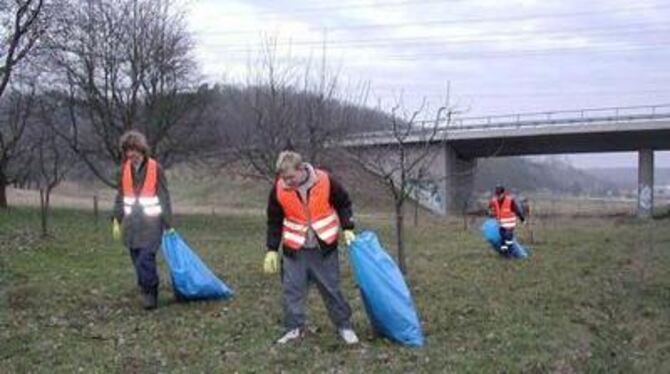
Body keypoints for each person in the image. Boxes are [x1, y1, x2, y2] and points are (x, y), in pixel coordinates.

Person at [263, 151, 359, 345]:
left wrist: (347, 226)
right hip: (294, 250)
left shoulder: (326, 180)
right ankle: (293, 328)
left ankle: (344, 326)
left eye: (290, 177)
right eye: (283, 177)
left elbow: (343, 203)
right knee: (292, 290)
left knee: (331, 289)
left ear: (301, 169)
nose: (286, 181)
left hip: (323, 248)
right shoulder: (279, 189)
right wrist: (272, 249)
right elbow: (274, 220)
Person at [112, 130, 172, 310]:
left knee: (145, 259)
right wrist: (116, 218)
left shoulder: (156, 169)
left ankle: (150, 293)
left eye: (134, 150)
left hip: (152, 225)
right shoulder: (123, 170)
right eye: (128, 151)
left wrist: (168, 224)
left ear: (142, 150)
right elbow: (121, 196)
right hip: (131, 226)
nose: (131, 155)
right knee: (137, 259)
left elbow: (164, 197)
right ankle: (144, 287)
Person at [488, 184, 525, 254]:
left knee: (508, 238)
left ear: (503, 193)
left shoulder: (510, 201)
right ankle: (504, 252)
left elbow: (517, 210)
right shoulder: (494, 200)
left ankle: (510, 251)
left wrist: (522, 219)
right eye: (497, 194)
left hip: (510, 224)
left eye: (499, 194)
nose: (498, 196)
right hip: (501, 224)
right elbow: (490, 208)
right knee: (503, 238)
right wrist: (490, 212)